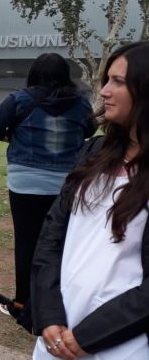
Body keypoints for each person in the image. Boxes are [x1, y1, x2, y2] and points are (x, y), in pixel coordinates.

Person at [32, 42, 149, 359]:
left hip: (120, 343)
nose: (105, 91)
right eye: (106, 80)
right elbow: (52, 235)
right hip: (58, 333)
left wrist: (88, 336)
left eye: (119, 82)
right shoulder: (94, 152)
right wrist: (48, 314)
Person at [0, 53, 96, 313]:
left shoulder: (20, 99)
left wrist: (10, 133)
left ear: (33, 74)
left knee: (27, 241)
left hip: (26, 182)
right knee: (61, 242)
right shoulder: (81, 103)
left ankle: (22, 302)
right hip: (66, 184)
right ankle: (59, 301)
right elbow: (88, 131)